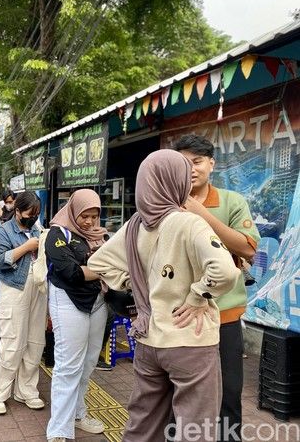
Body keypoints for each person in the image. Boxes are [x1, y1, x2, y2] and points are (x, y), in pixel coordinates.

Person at [87, 150, 240, 442]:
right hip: (190, 340)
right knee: (194, 429)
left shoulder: (135, 225)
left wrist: (137, 285)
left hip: (148, 340)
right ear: (177, 182)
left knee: (143, 425)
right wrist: (197, 297)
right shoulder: (188, 222)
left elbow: (98, 263)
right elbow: (226, 272)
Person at [173, 135, 260, 441]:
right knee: (179, 396)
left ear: (211, 163)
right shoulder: (167, 203)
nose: (191, 169)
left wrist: (201, 214)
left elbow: (248, 249)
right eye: (183, 163)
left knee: (229, 396)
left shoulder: (232, 201)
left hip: (224, 317)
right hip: (181, 318)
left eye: (197, 161)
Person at [44, 189, 109, 442]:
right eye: (85, 215)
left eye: (95, 216)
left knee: (89, 362)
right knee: (68, 365)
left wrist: (95, 270)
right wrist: (104, 269)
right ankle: (59, 429)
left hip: (98, 302)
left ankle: (79, 415)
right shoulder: (57, 234)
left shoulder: (101, 236)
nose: (90, 222)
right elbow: (70, 272)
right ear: (73, 210)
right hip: (68, 300)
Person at [0, 191, 46, 415]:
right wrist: (27, 247)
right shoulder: (3, 231)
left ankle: (26, 391)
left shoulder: (37, 229)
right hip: (14, 290)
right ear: (17, 211)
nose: (33, 218)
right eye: (30, 214)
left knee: (35, 343)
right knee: (12, 344)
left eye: (37, 214)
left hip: (38, 291)